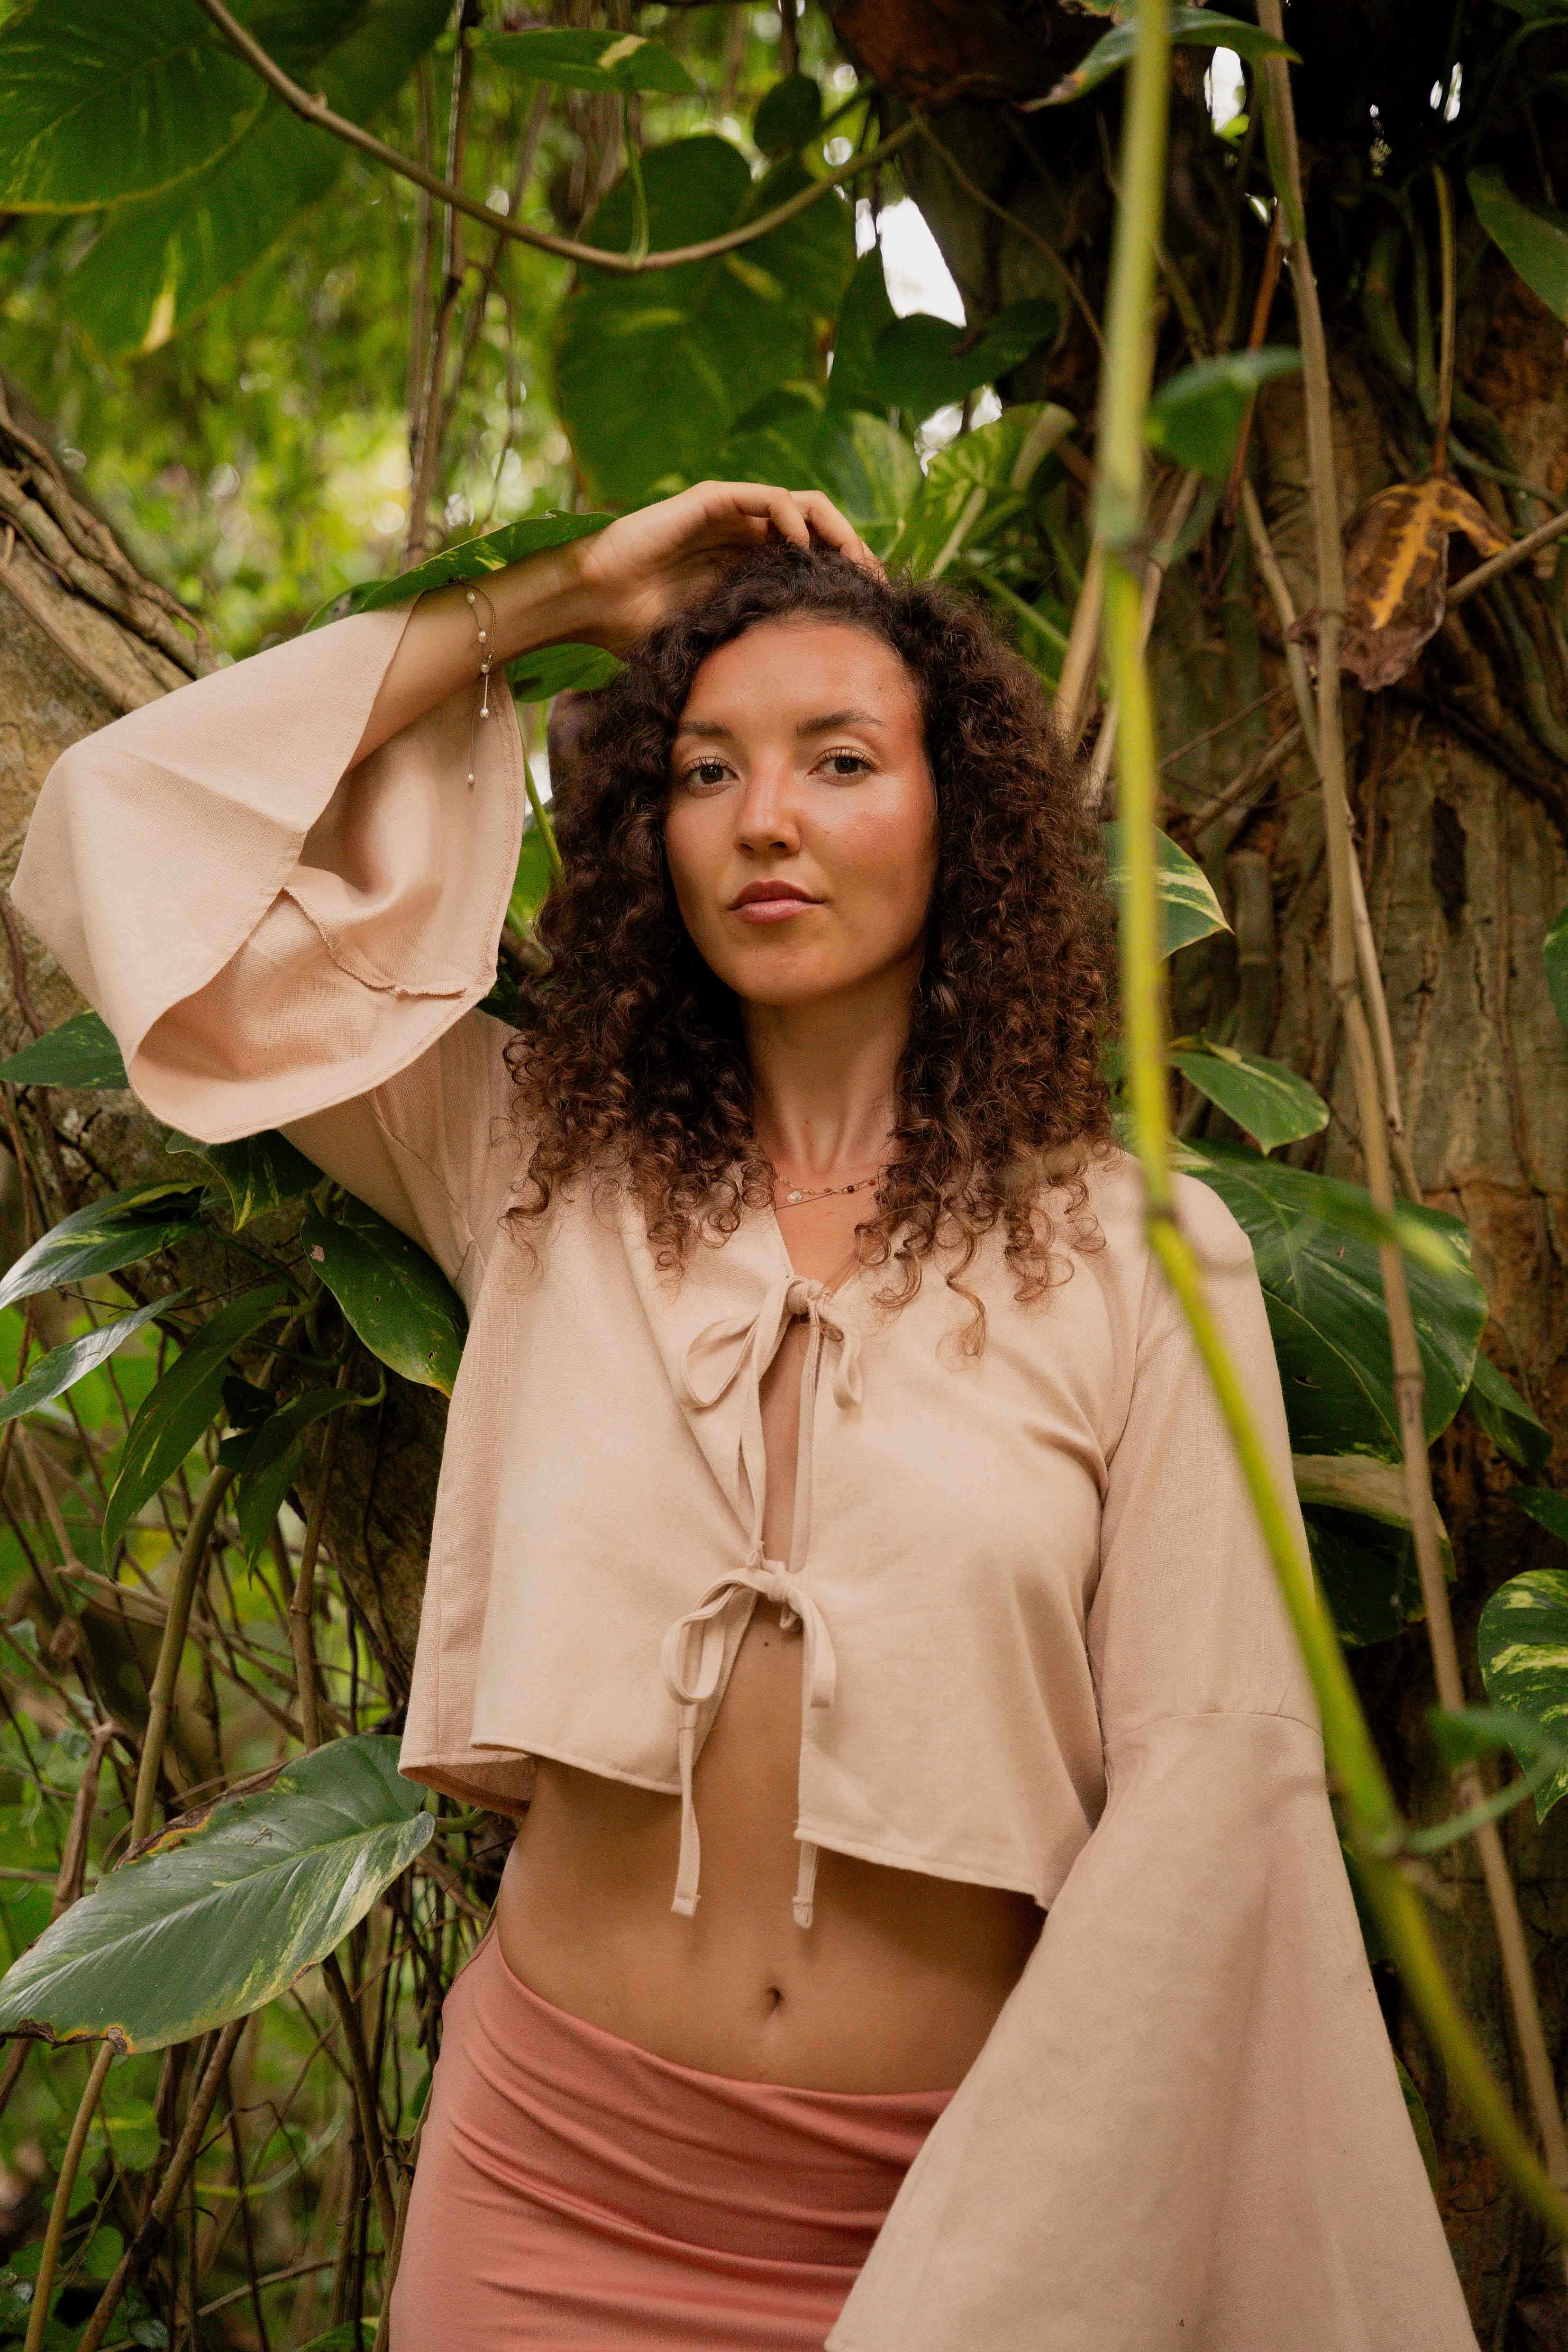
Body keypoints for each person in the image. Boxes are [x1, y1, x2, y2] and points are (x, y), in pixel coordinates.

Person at [12, 483, 1477, 2350]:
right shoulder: (532, 1158)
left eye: (838, 758)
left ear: (967, 819)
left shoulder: (1138, 1253)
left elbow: (1208, 1795)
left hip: (978, 2212)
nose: (764, 819)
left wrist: (1019, 2254)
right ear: (648, 832)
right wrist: (562, 596)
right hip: (549, 2183)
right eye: (705, 770)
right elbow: (109, 831)